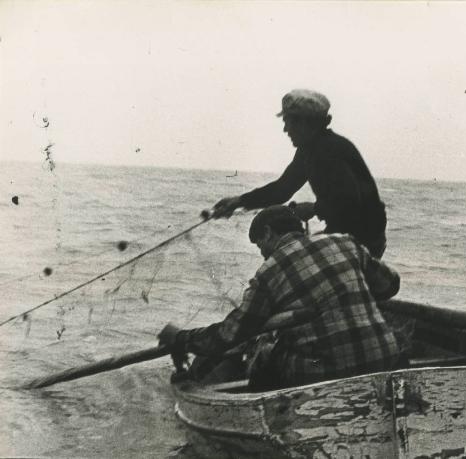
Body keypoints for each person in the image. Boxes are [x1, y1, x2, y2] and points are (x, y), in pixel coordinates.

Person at [159, 205, 402, 389]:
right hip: (383, 357)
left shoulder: (268, 272)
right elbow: (390, 286)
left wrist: (182, 339)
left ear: (268, 233)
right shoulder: (346, 243)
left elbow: (231, 334)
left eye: (259, 245)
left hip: (325, 375)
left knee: (264, 352)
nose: (263, 254)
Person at [212, 89, 388, 258]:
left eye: (289, 122)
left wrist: (313, 208)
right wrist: (239, 201)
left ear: (307, 123)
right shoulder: (309, 150)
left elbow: (350, 202)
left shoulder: (329, 150)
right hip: (346, 232)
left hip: (364, 237)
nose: (286, 130)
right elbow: (282, 189)